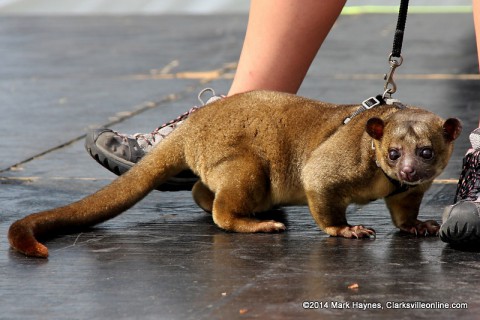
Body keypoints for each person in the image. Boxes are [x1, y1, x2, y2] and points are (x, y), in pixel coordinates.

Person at [85, 1, 480, 245]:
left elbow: (407, 184)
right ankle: (225, 202)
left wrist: (408, 220)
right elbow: (318, 178)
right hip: (246, 136)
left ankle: (212, 186)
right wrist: (336, 227)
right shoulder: (360, 153)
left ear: (451, 138)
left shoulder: (410, 156)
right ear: (375, 137)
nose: (410, 167)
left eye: (425, 154)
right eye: (396, 156)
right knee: (252, 159)